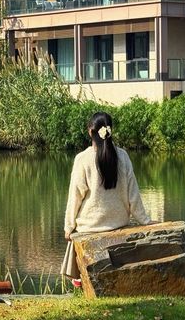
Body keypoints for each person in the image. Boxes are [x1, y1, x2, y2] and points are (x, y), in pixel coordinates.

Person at [61, 111, 154, 286]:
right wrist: (145, 220)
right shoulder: (123, 156)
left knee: (75, 234)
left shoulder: (82, 159)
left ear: (90, 132)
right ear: (110, 132)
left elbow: (75, 197)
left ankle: (80, 276)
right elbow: (132, 194)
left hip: (90, 226)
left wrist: (69, 227)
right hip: (118, 222)